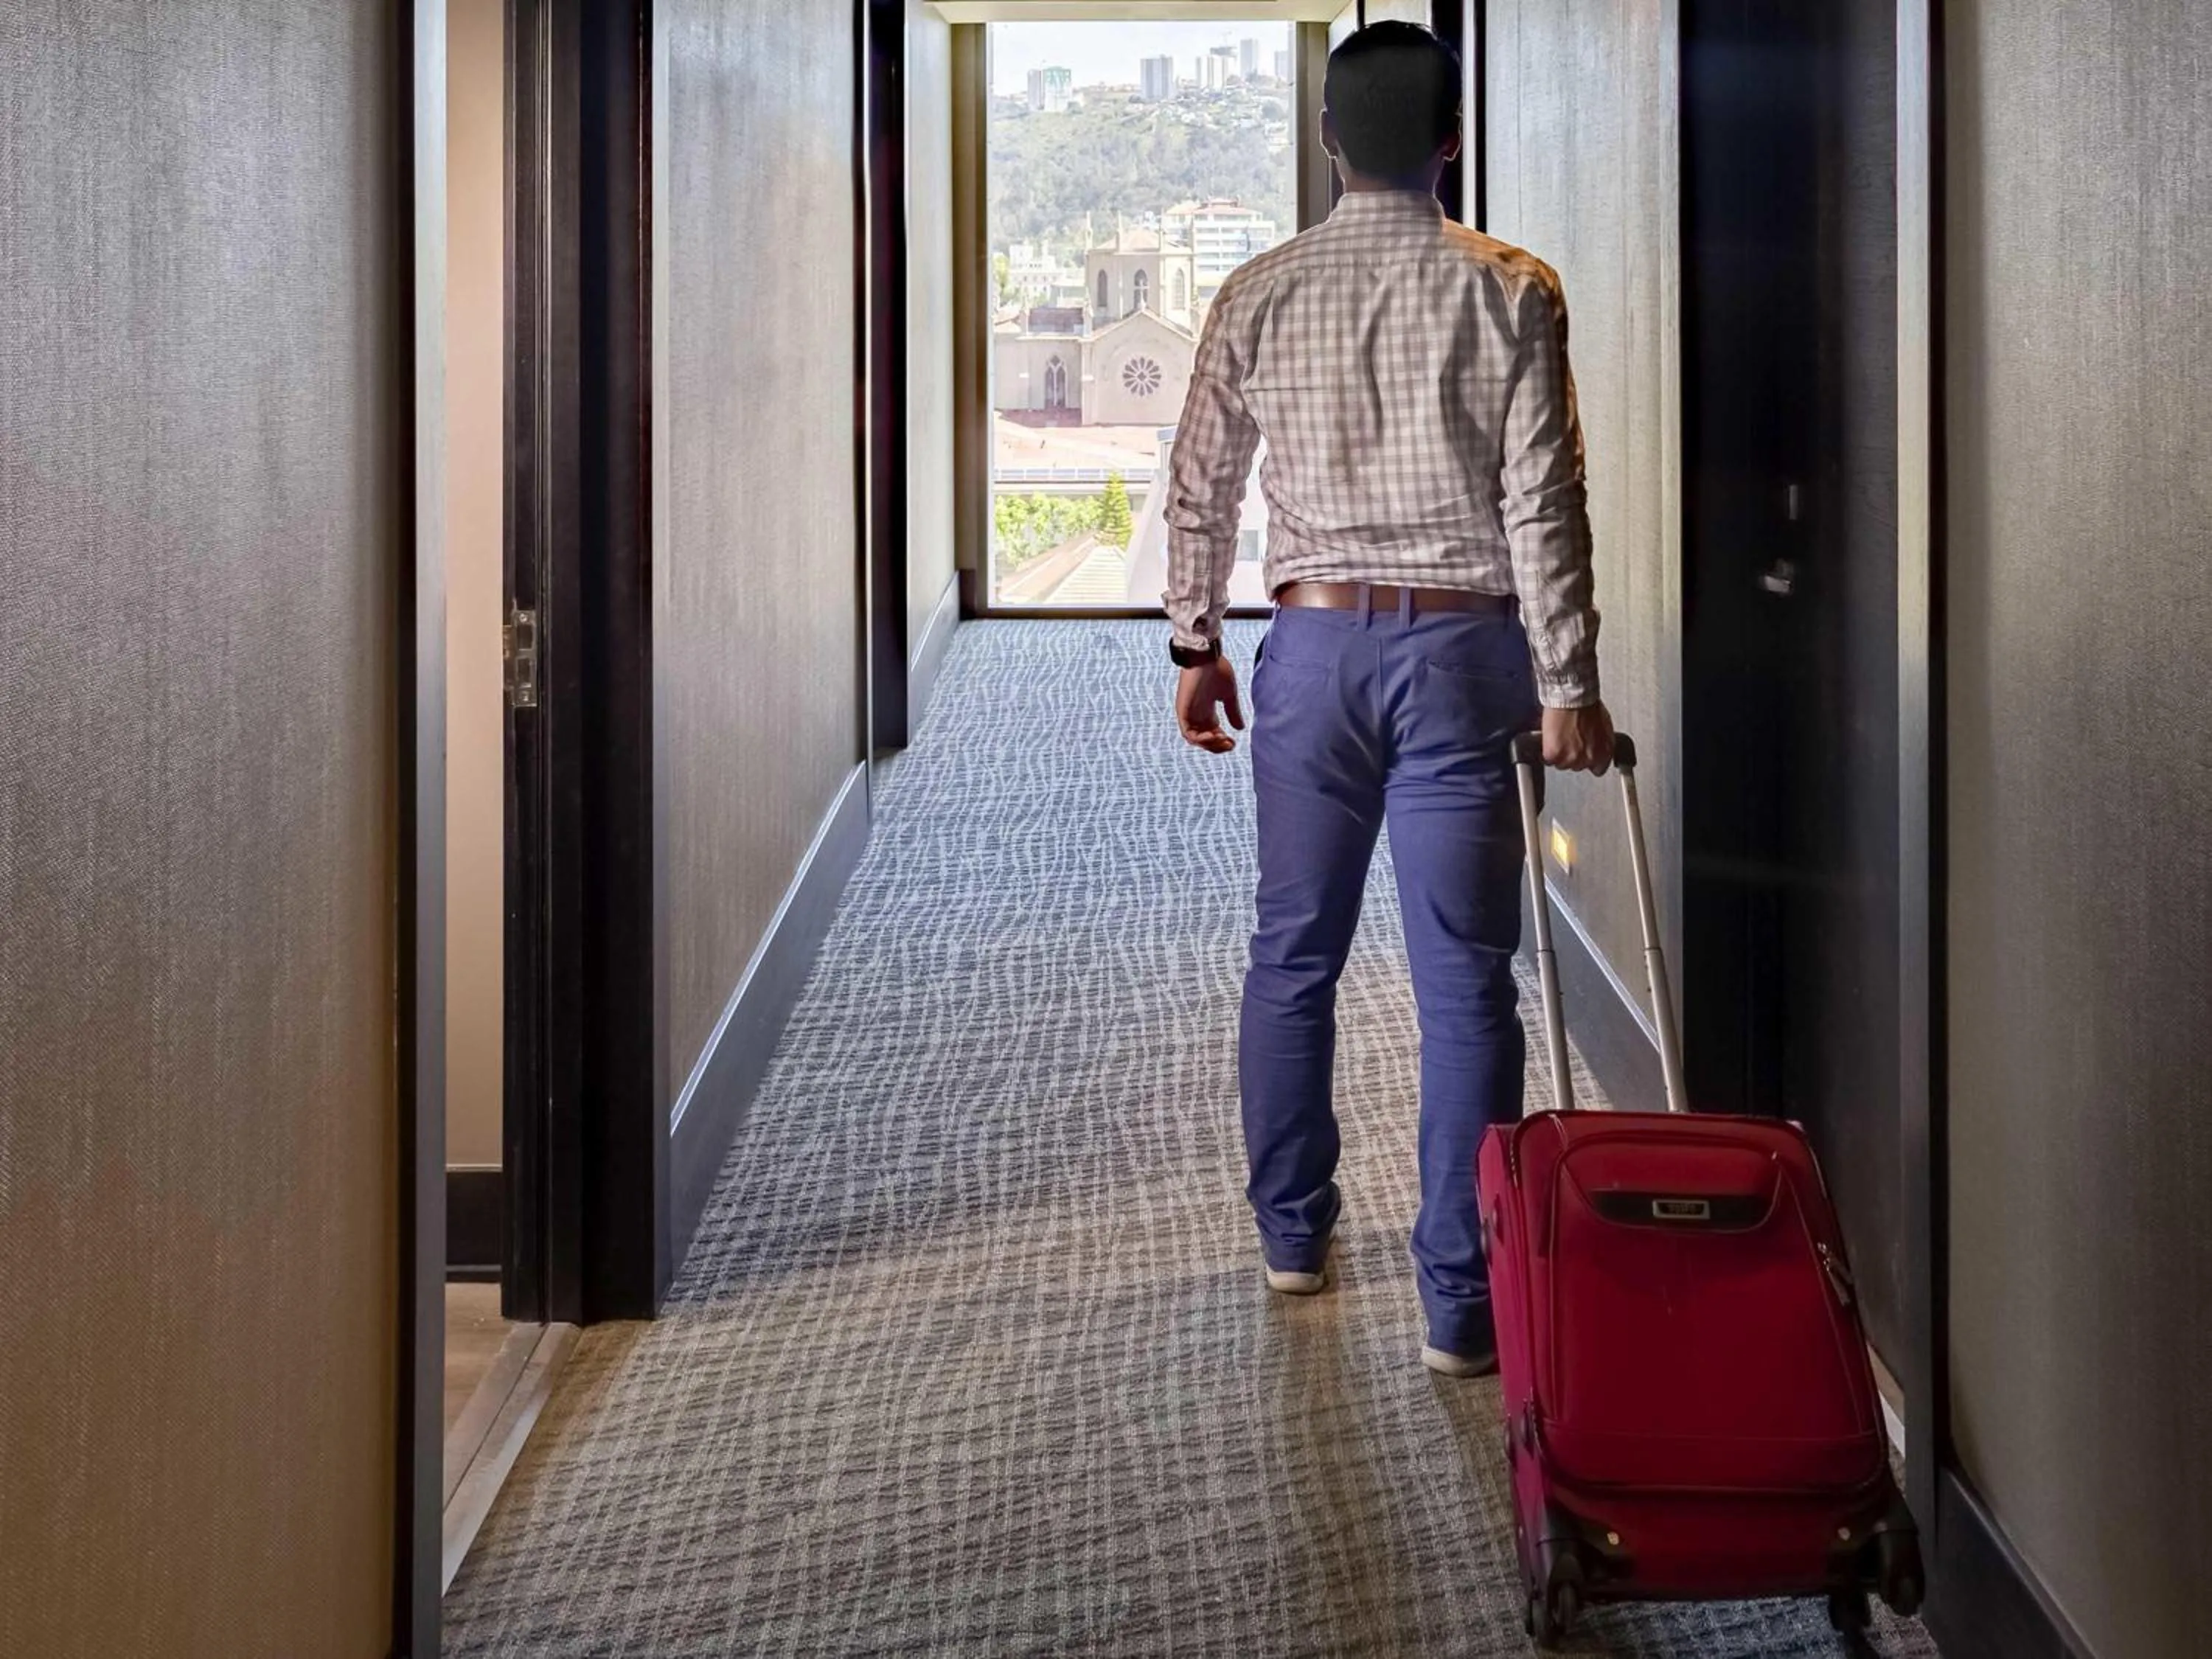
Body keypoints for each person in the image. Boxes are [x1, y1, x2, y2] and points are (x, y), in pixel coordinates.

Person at [1162, 21, 1613, 1377]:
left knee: (1291, 953)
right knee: (1467, 977)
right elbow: (1544, 501)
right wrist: (1571, 682)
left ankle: (1292, 1238)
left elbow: (1200, 487)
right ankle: (1459, 1309)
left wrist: (1196, 645)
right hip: (1465, 662)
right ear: (1452, 141)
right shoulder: (1514, 287)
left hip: (1310, 654)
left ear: (1325, 141)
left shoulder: (1256, 291)